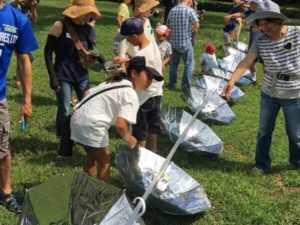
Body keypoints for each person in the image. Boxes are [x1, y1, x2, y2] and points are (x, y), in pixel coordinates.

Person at [223, 1, 300, 173]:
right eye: (260, 23)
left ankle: (297, 161)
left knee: (295, 134)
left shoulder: (297, 33)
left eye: (267, 23)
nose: (263, 27)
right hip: (269, 92)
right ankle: (261, 163)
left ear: (278, 21)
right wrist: (231, 81)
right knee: (264, 131)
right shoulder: (260, 41)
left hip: (294, 93)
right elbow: (246, 61)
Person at [70, 56, 163, 181]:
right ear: (134, 73)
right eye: (148, 76)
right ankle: (102, 197)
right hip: (91, 125)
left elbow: (87, 93)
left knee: (93, 157)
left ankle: (86, 187)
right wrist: (130, 139)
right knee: (105, 162)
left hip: (77, 118)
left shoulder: (114, 81)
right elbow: (120, 125)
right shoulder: (130, 94)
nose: (150, 82)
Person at [0, 0, 38, 213]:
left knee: (3, 149)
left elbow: (24, 60)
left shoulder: (17, 20)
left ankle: (5, 192)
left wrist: (27, 100)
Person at [44, 0, 101, 138]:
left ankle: (82, 137)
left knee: (86, 107)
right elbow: (47, 51)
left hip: (82, 76)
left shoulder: (88, 28)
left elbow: (92, 49)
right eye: (86, 13)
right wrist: (53, 78)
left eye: (89, 14)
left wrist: (103, 62)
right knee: (64, 109)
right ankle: (62, 140)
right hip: (62, 76)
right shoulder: (60, 26)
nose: (88, 17)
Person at [114, 16, 164, 153]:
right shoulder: (152, 43)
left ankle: (141, 156)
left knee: (140, 129)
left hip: (143, 98)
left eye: (127, 38)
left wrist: (118, 74)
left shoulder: (141, 55)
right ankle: (153, 151)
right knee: (153, 125)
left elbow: (136, 82)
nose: (127, 41)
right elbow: (146, 64)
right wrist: (126, 59)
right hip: (157, 93)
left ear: (135, 36)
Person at [166, 0, 199, 90]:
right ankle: (185, 86)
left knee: (173, 64)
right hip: (185, 42)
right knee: (189, 64)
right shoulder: (189, 10)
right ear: (188, 1)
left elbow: (168, 26)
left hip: (173, 42)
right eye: (192, 2)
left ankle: (172, 84)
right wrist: (193, 29)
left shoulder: (172, 10)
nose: (192, 4)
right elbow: (197, 25)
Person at [10, 0, 39, 89]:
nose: (33, 2)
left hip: (21, 35)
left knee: (25, 57)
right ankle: (18, 80)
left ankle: (18, 78)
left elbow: (33, 19)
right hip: (11, 33)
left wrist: (34, 8)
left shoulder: (29, 7)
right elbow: (10, 5)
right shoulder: (16, 4)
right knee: (25, 57)